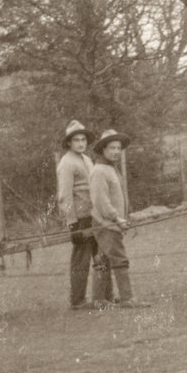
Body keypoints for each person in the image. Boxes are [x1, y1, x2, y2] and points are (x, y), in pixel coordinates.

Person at [89, 129, 149, 308]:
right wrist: (116, 218)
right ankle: (127, 298)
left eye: (118, 148)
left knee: (102, 260)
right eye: (112, 148)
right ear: (103, 150)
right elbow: (101, 201)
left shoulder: (110, 169)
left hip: (111, 223)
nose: (116, 151)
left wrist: (125, 216)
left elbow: (118, 196)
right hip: (106, 224)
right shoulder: (99, 171)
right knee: (119, 259)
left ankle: (100, 300)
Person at [57, 120, 112, 309]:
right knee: (82, 258)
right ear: (69, 143)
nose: (80, 143)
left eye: (83, 140)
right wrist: (72, 223)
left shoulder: (87, 160)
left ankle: (105, 295)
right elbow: (64, 195)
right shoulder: (67, 163)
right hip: (81, 218)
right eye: (76, 140)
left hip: (95, 215)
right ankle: (78, 300)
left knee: (102, 254)